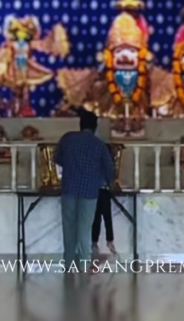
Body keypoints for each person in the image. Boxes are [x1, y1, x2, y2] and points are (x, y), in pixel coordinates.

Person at [54, 109, 114, 272]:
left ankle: (68, 267)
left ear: (80, 125)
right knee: (84, 232)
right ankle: (82, 267)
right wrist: (106, 181)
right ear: (95, 127)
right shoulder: (99, 145)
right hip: (89, 192)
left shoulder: (67, 139)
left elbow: (57, 158)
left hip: (68, 189)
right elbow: (109, 170)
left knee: (69, 230)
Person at [91, 144, 117, 256]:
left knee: (97, 217)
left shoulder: (94, 163)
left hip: (95, 190)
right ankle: (109, 241)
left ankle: (95, 242)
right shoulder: (107, 164)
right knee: (106, 217)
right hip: (103, 190)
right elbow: (110, 177)